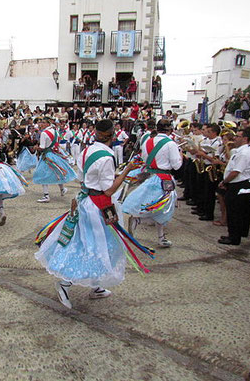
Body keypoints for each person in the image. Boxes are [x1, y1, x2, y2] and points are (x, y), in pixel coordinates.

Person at [35, 119, 148, 309]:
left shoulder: (87, 151)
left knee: (89, 243)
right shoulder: (107, 156)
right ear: (112, 135)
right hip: (98, 206)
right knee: (95, 246)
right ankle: (65, 284)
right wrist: (127, 170)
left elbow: (82, 178)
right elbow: (108, 190)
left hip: (85, 201)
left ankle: (95, 286)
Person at [122, 120, 183, 247]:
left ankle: (161, 237)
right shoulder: (171, 144)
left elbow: (145, 160)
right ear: (170, 130)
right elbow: (176, 166)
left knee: (156, 206)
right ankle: (140, 220)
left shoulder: (148, 141)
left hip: (150, 177)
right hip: (164, 178)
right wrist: (180, 154)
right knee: (164, 209)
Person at [218, 127, 250, 245]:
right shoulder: (240, 151)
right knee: (237, 211)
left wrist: (225, 181)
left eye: (238, 136)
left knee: (235, 212)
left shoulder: (244, 152)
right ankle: (234, 234)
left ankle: (234, 237)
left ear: (245, 139)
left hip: (238, 184)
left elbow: (236, 171)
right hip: (236, 183)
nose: (234, 138)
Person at [33, 118, 77, 203]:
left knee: (43, 174)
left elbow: (42, 147)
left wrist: (36, 147)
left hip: (47, 155)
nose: (40, 124)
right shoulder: (55, 131)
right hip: (54, 154)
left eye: (42, 122)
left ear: (47, 124)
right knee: (57, 171)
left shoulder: (44, 133)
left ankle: (46, 195)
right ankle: (62, 189)